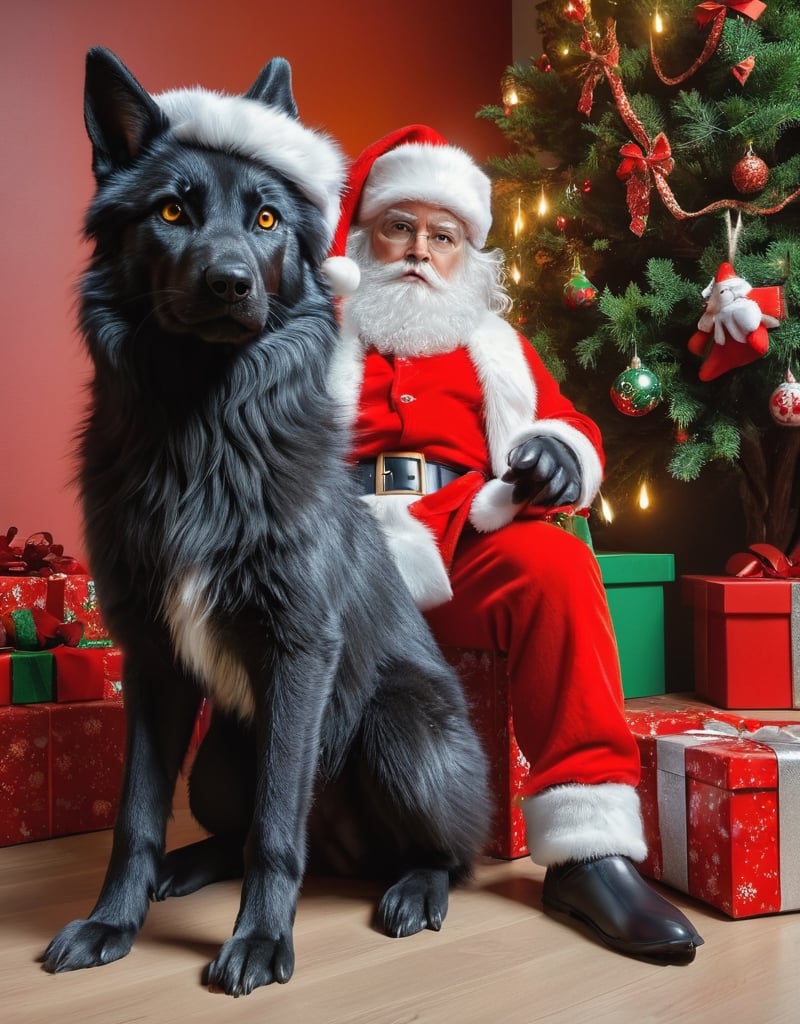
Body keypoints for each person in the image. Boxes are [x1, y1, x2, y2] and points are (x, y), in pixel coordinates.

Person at [325, 124, 703, 965]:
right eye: (400, 226)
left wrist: (558, 456)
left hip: (465, 542)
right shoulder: (317, 334)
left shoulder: (497, 345)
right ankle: (280, 832)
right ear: (365, 236)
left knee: (558, 560)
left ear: (468, 253)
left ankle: (587, 853)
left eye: (443, 234)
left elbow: (565, 422)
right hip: (338, 556)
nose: (420, 250)